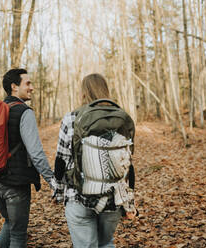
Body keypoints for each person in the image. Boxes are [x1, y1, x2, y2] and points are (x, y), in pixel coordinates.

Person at [52, 73, 137, 248]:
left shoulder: (72, 118)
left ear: (84, 93)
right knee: (106, 243)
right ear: (106, 91)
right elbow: (127, 163)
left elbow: (61, 160)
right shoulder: (121, 118)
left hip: (78, 195)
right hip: (113, 197)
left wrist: (58, 192)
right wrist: (129, 203)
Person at [0, 68, 55, 248]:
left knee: (9, 223)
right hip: (15, 185)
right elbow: (36, 153)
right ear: (14, 87)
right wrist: (52, 181)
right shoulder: (24, 112)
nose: (32, 88)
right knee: (17, 235)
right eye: (28, 83)